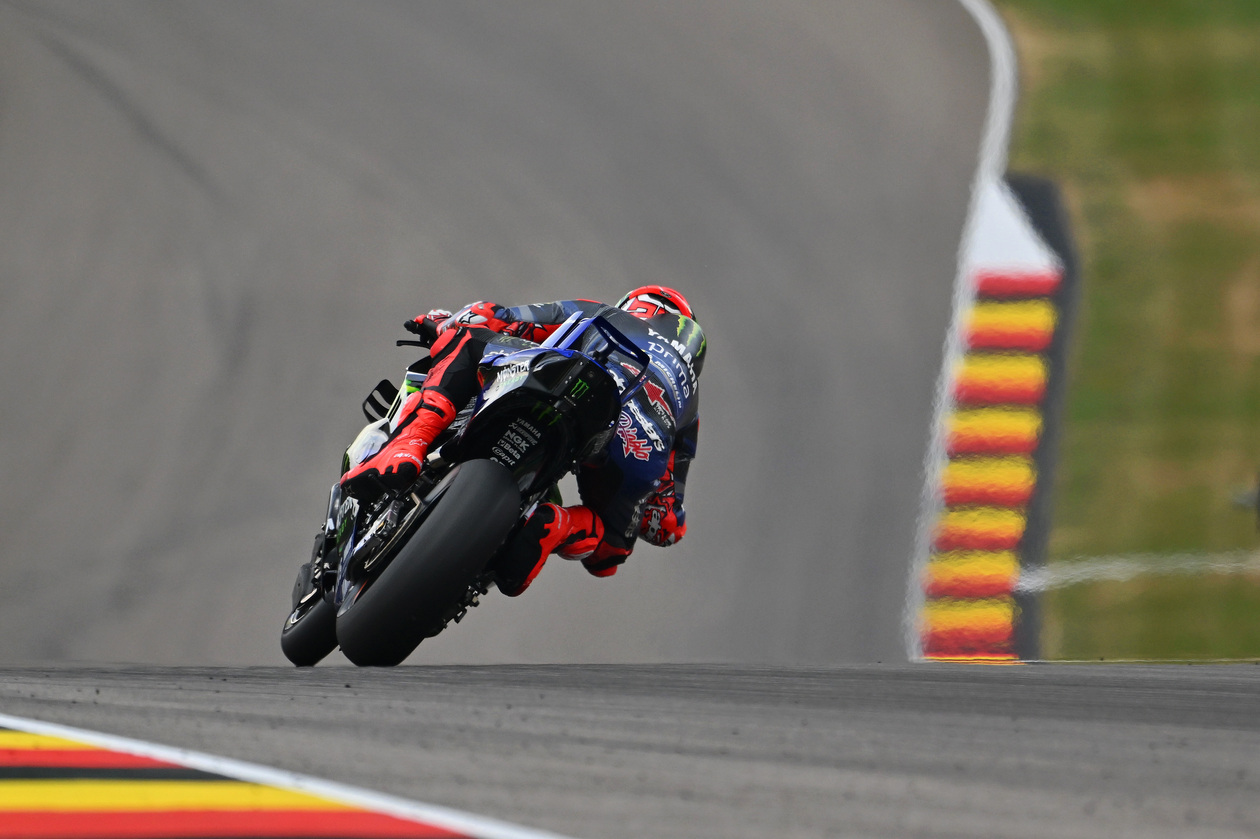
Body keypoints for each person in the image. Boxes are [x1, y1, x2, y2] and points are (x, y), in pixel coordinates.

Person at [339, 286, 704, 595]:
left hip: (567, 378)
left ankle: (407, 446)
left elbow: (501, 318)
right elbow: (665, 525)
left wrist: (444, 322)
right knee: (612, 549)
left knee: (466, 341)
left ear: (639, 306)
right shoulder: (688, 408)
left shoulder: (609, 315)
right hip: (640, 444)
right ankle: (558, 526)